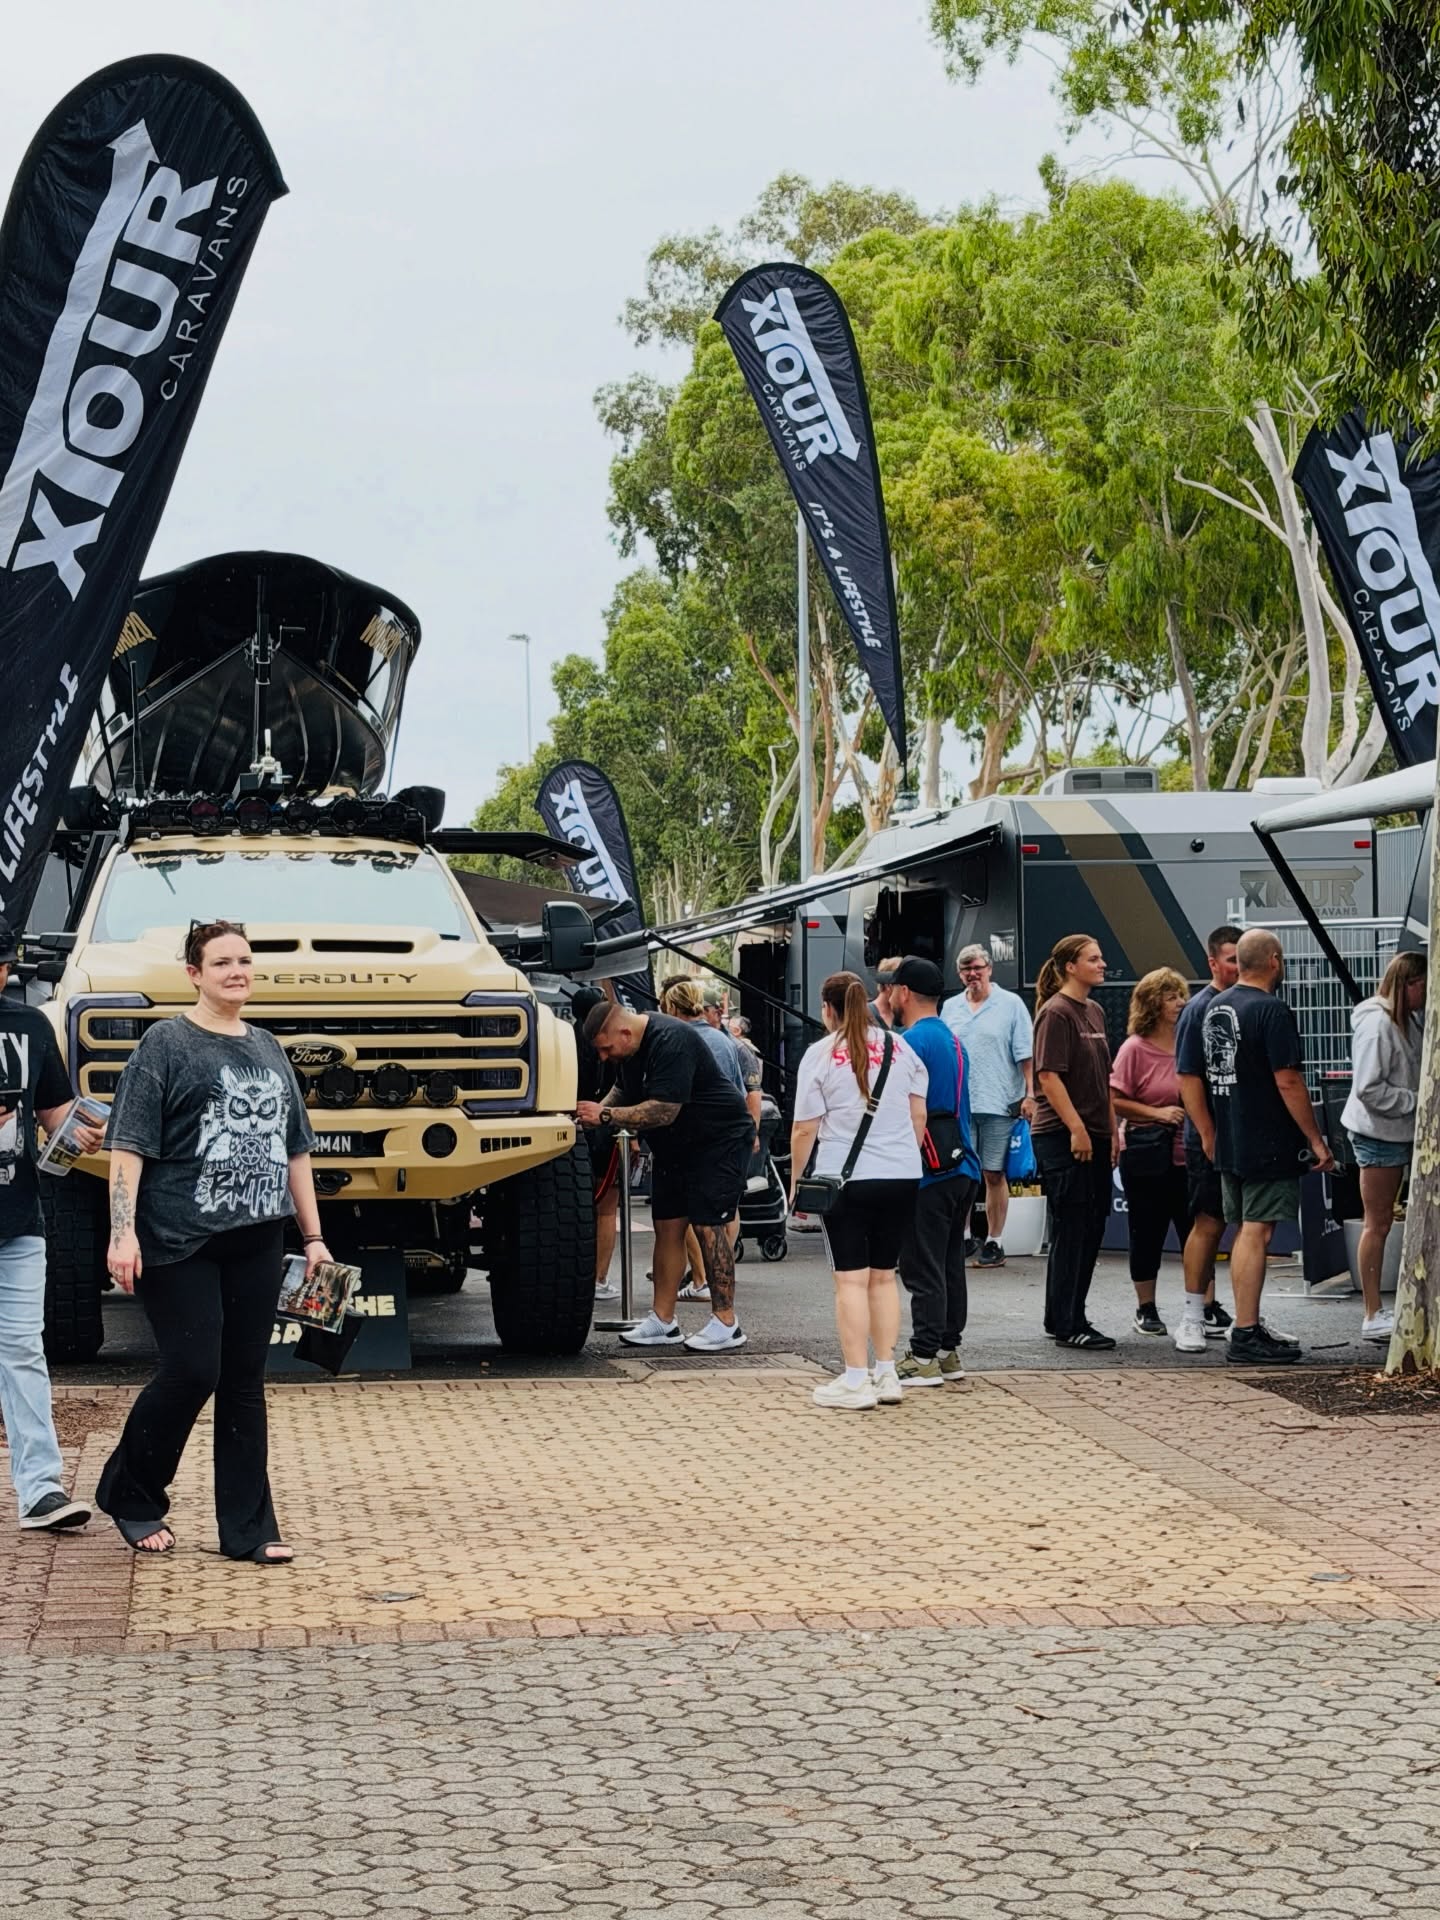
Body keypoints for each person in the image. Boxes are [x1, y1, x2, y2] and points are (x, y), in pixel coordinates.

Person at [97, 921, 328, 1558]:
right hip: (177, 1239)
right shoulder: (165, 1044)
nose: (237, 971)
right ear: (194, 973)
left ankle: (249, 1532)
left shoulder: (269, 1047)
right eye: (221, 962)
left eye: (245, 961)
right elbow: (128, 1146)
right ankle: (131, 1491)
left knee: (245, 1382)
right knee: (193, 1369)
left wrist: (313, 1238)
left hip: (257, 1235)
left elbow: (296, 1150)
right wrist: (123, 1233)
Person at [0, 919, 106, 1533]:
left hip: (18, 1219)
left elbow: (54, 1112)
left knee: (23, 1351)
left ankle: (40, 1490)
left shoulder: (30, 1025)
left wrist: (81, 1130)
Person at [578, 1003, 753, 1353]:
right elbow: (622, 1093)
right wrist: (588, 1114)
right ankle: (663, 1320)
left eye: (605, 1048)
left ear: (624, 1033)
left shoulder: (672, 1040)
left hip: (718, 1141)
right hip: (677, 1147)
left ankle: (726, 1322)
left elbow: (663, 1110)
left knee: (708, 1226)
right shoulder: (628, 1054)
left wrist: (606, 1115)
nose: (602, 1056)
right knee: (668, 1228)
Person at [790, 972, 927, 1409]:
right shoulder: (901, 1047)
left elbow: (804, 1128)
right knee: (885, 1277)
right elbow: (918, 1115)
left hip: (844, 1180)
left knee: (850, 1280)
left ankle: (854, 1378)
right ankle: (887, 1373)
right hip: (902, 1175)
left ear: (826, 1008)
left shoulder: (820, 1054)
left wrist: (796, 1181)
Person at [1200, 927, 1334, 1367]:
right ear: (1274, 960)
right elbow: (1288, 1079)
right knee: (1257, 1231)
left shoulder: (1216, 1005)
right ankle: (1245, 1330)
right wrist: (1315, 1139)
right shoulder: (1272, 1010)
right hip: (1267, 1139)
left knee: (1244, 1230)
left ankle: (1247, 1325)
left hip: (1230, 1137)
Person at [887, 955, 981, 1386]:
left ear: (903, 992)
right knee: (948, 1264)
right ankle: (947, 1351)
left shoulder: (908, 1042)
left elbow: (898, 1109)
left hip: (928, 1169)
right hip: (962, 1164)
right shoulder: (953, 1040)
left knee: (922, 1265)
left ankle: (923, 1354)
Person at [1031, 935, 1116, 1350]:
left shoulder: (1095, 1011)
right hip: (1061, 1136)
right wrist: (1077, 1129)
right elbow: (1049, 1076)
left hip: (1096, 1134)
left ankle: (1071, 1313)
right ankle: (1066, 1321)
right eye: (1093, 959)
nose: (1102, 964)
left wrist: (1112, 1129)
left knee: (1092, 1227)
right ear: (1070, 966)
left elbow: (1104, 1081)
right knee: (1072, 1228)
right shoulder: (1057, 1013)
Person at [1340, 949, 1426, 1344]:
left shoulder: (1407, 1018)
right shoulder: (1378, 1026)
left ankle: (1381, 1308)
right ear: (1411, 984)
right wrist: (1417, 1101)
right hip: (1379, 1133)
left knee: (1383, 1221)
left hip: (1397, 1130)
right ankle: (1372, 1312)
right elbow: (1369, 1088)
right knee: (1377, 1222)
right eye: (1425, 986)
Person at [658, 977, 751, 1298]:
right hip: (727, 1136)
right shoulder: (725, 1041)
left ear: (671, 1007)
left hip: (695, 1140)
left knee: (692, 1220)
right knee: (723, 1215)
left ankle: (702, 1280)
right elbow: (740, 1091)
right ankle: (718, 1284)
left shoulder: (676, 1039)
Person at [942, 943, 1034, 1268]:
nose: (973, 975)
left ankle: (995, 1240)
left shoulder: (1011, 1005)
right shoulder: (950, 1008)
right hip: (960, 1106)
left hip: (998, 1103)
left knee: (993, 1173)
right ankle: (964, 1236)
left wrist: (1030, 1094)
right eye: (967, 970)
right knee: (963, 1174)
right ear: (960, 974)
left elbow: (1025, 1054)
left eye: (978, 968)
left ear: (990, 969)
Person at [1111, 969, 1192, 1338]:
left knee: (1196, 1230)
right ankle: (1146, 1308)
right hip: (1147, 1155)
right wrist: (1157, 1113)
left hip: (1189, 1153)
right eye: (1171, 996)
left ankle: (1203, 1305)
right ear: (1152, 1003)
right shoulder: (1134, 1049)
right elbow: (1115, 1100)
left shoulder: (1189, 1041)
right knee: (1147, 1232)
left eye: (1181, 995)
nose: (1180, 1003)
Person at [1173, 926, 1242, 1353]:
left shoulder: (1256, 1005)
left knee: (1251, 1229)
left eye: (1243, 957)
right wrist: (1207, 1132)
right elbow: (1187, 1077)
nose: (1238, 965)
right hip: (1210, 1139)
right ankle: (1191, 1318)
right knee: (1208, 1223)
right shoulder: (1198, 1009)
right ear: (1212, 962)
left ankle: (1249, 1318)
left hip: (1247, 1136)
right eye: (1232, 958)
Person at [571, 985, 622, 1303]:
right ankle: (599, 1277)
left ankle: (577, 1272)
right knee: (606, 1209)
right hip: (603, 1124)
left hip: (570, 1120)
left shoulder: (565, 1039)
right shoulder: (607, 1044)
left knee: (577, 1206)